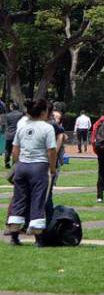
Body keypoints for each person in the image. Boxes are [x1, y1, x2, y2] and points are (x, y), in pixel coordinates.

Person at [4, 99, 58, 242]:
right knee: (38, 200)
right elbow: (51, 150)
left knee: (19, 199)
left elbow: (15, 149)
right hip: (39, 167)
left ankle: (14, 235)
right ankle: (38, 238)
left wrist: (18, 164)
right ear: (43, 112)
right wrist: (52, 168)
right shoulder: (47, 128)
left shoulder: (22, 127)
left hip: (22, 166)